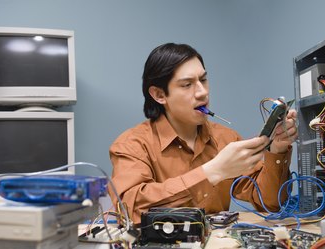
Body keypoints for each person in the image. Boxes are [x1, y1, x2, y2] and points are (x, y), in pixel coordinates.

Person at [109, 43, 298, 224]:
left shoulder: (226, 138)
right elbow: (129, 209)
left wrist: (277, 149)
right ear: (159, 95)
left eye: (203, 80)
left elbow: (270, 203)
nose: (202, 92)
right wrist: (212, 171)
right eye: (186, 84)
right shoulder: (131, 144)